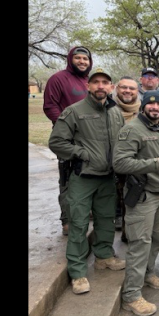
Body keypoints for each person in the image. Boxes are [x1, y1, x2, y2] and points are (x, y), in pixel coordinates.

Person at [48, 67, 126, 295]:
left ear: (111, 86)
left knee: (106, 220)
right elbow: (57, 142)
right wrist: (82, 153)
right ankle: (78, 272)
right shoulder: (73, 111)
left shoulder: (115, 112)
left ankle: (103, 256)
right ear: (88, 86)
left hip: (107, 178)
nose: (101, 86)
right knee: (79, 224)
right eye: (96, 82)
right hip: (82, 177)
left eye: (105, 82)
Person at [113, 91, 159, 316]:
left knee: (156, 238)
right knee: (140, 243)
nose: (156, 107)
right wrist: (154, 164)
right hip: (143, 197)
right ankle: (131, 296)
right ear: (143, 106)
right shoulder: (132, 130)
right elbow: (119, 163)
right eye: (151, 104)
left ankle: (148, 274)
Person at [42, 46, 92, 236]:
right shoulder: (58, 79)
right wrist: (67, 126)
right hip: (68, 138)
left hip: (88, 138)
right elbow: (49, 106)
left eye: (85, 59)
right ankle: (68, 220)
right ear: (70, 59)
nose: (82, 62)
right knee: (68, 179)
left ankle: (85, 213)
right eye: (78, 58)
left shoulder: (89, 81)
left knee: (85, 176)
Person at [113, 76, 142, 238]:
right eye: (124, 87)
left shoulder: (142, 111)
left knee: (129, 202)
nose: (128, 91)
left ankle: (128, 233)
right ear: (117, 89)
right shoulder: (108, 109)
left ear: (137, 91)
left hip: (134, 165)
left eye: (132, 88)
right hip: (110, 163)